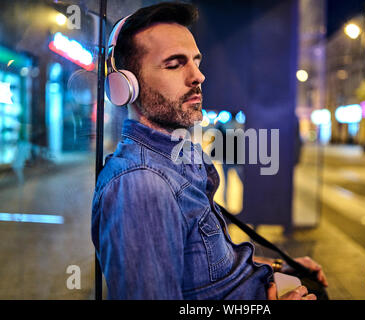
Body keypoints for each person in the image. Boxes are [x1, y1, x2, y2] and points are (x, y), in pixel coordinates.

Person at [91, 2, 327, 300]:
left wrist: (282, 268)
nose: (198, 76)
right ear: (126, 84)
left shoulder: (176, 160)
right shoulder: (142, 184)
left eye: (196, 61)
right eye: (175, 64)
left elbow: (205, 267)